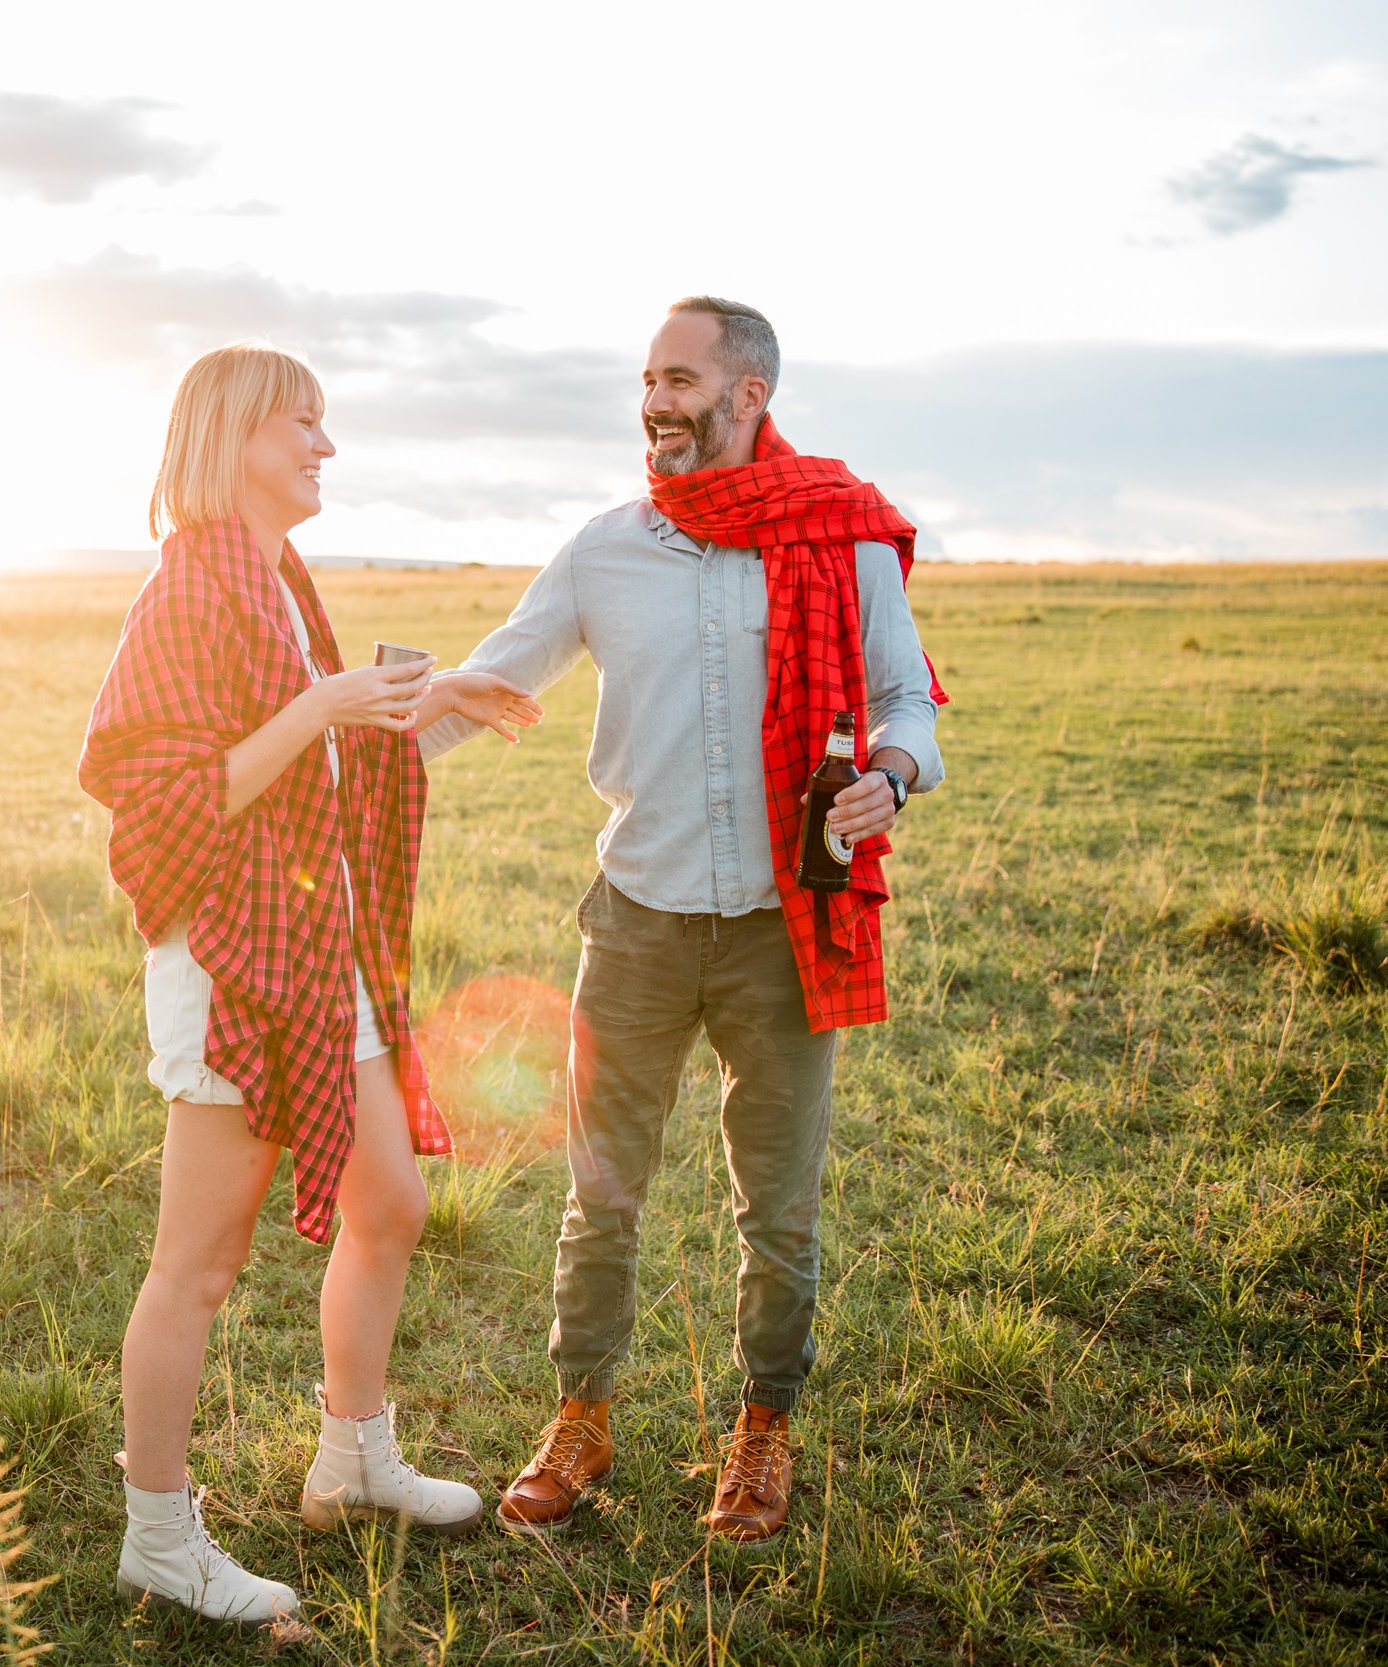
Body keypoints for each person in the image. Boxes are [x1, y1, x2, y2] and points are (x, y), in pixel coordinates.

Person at [422, 297, 947, 1544]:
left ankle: (762, 1429)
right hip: (638, 924)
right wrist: (339, 747)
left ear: (747, 393)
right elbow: (485, 684)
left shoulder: (842, 536)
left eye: (676, 379)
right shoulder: (603, 550)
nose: (652, 402)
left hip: (784, 923)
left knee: (780, 1204)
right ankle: (581, 1413)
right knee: (599, 1191)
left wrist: (895, 771)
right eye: (644, 380)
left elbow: (905, 700)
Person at [78, 342, 542, 1624]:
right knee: (198, 1266)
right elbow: (170, 797)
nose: (325, 445)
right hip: (232, 959)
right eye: (303, 424)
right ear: (232, 435)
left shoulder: (276, 575)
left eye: (326, 424)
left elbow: (311, 748)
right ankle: (158, 1537)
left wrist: (421, 693)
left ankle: (352, 1459)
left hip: (312, 948)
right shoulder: (190, 583)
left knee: (389, 1200)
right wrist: (323, 706)